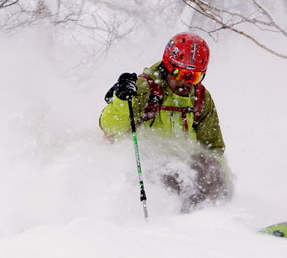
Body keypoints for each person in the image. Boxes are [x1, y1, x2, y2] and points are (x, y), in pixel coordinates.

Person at [99, 32, 232, 212]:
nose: (186, 84)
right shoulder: (144, 88)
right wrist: (122, 100)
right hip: (145, 168)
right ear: (169, 67)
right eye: (182, 74)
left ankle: (218, 220)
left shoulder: (200, 97)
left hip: (184, 171)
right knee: (171, 174)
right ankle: (165, 224)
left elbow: (213, 148)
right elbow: (111, 126)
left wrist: (222, 185)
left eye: (194, 78)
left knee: (209, 167)